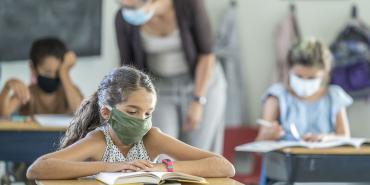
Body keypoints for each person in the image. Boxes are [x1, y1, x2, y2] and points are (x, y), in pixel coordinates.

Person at [26, 66, 235, 180]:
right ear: (107, 112)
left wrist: (163, 167)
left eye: (148, 113)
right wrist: (110, 167)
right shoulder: (98, 141)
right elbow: (38, 168)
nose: (142, 120)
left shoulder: (152, 138)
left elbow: (224, 167)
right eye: (132, 112)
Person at [115, 0, 227, 153]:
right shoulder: (123, 19)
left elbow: (206, 55)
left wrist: (198, 101)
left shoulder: (189, 5)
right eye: (124, 6)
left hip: (202, 83)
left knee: (197, 151)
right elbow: (128, 68)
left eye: (133, 7)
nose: (128, 12)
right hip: (159, 87)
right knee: (161, 149)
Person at [256, 38, 353, 185]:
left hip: (327, 173)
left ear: (325, 73)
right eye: (299, 76)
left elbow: (345, 137)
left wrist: (325, 138)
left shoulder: (334, 96)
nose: (304, 82)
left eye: (311, 78)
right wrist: (268, 136)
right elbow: (258, 146)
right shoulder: (277, 96)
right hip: (287, 175)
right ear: (289, 70)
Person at [0, 37, 83, 117]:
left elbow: (81, 113)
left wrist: (64, 72)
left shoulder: (70, 91)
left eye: (58, 72)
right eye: (47, 72)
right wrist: (7, 86)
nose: (53, 76)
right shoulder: (28, 93)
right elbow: (3, 113)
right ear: (33, 68)